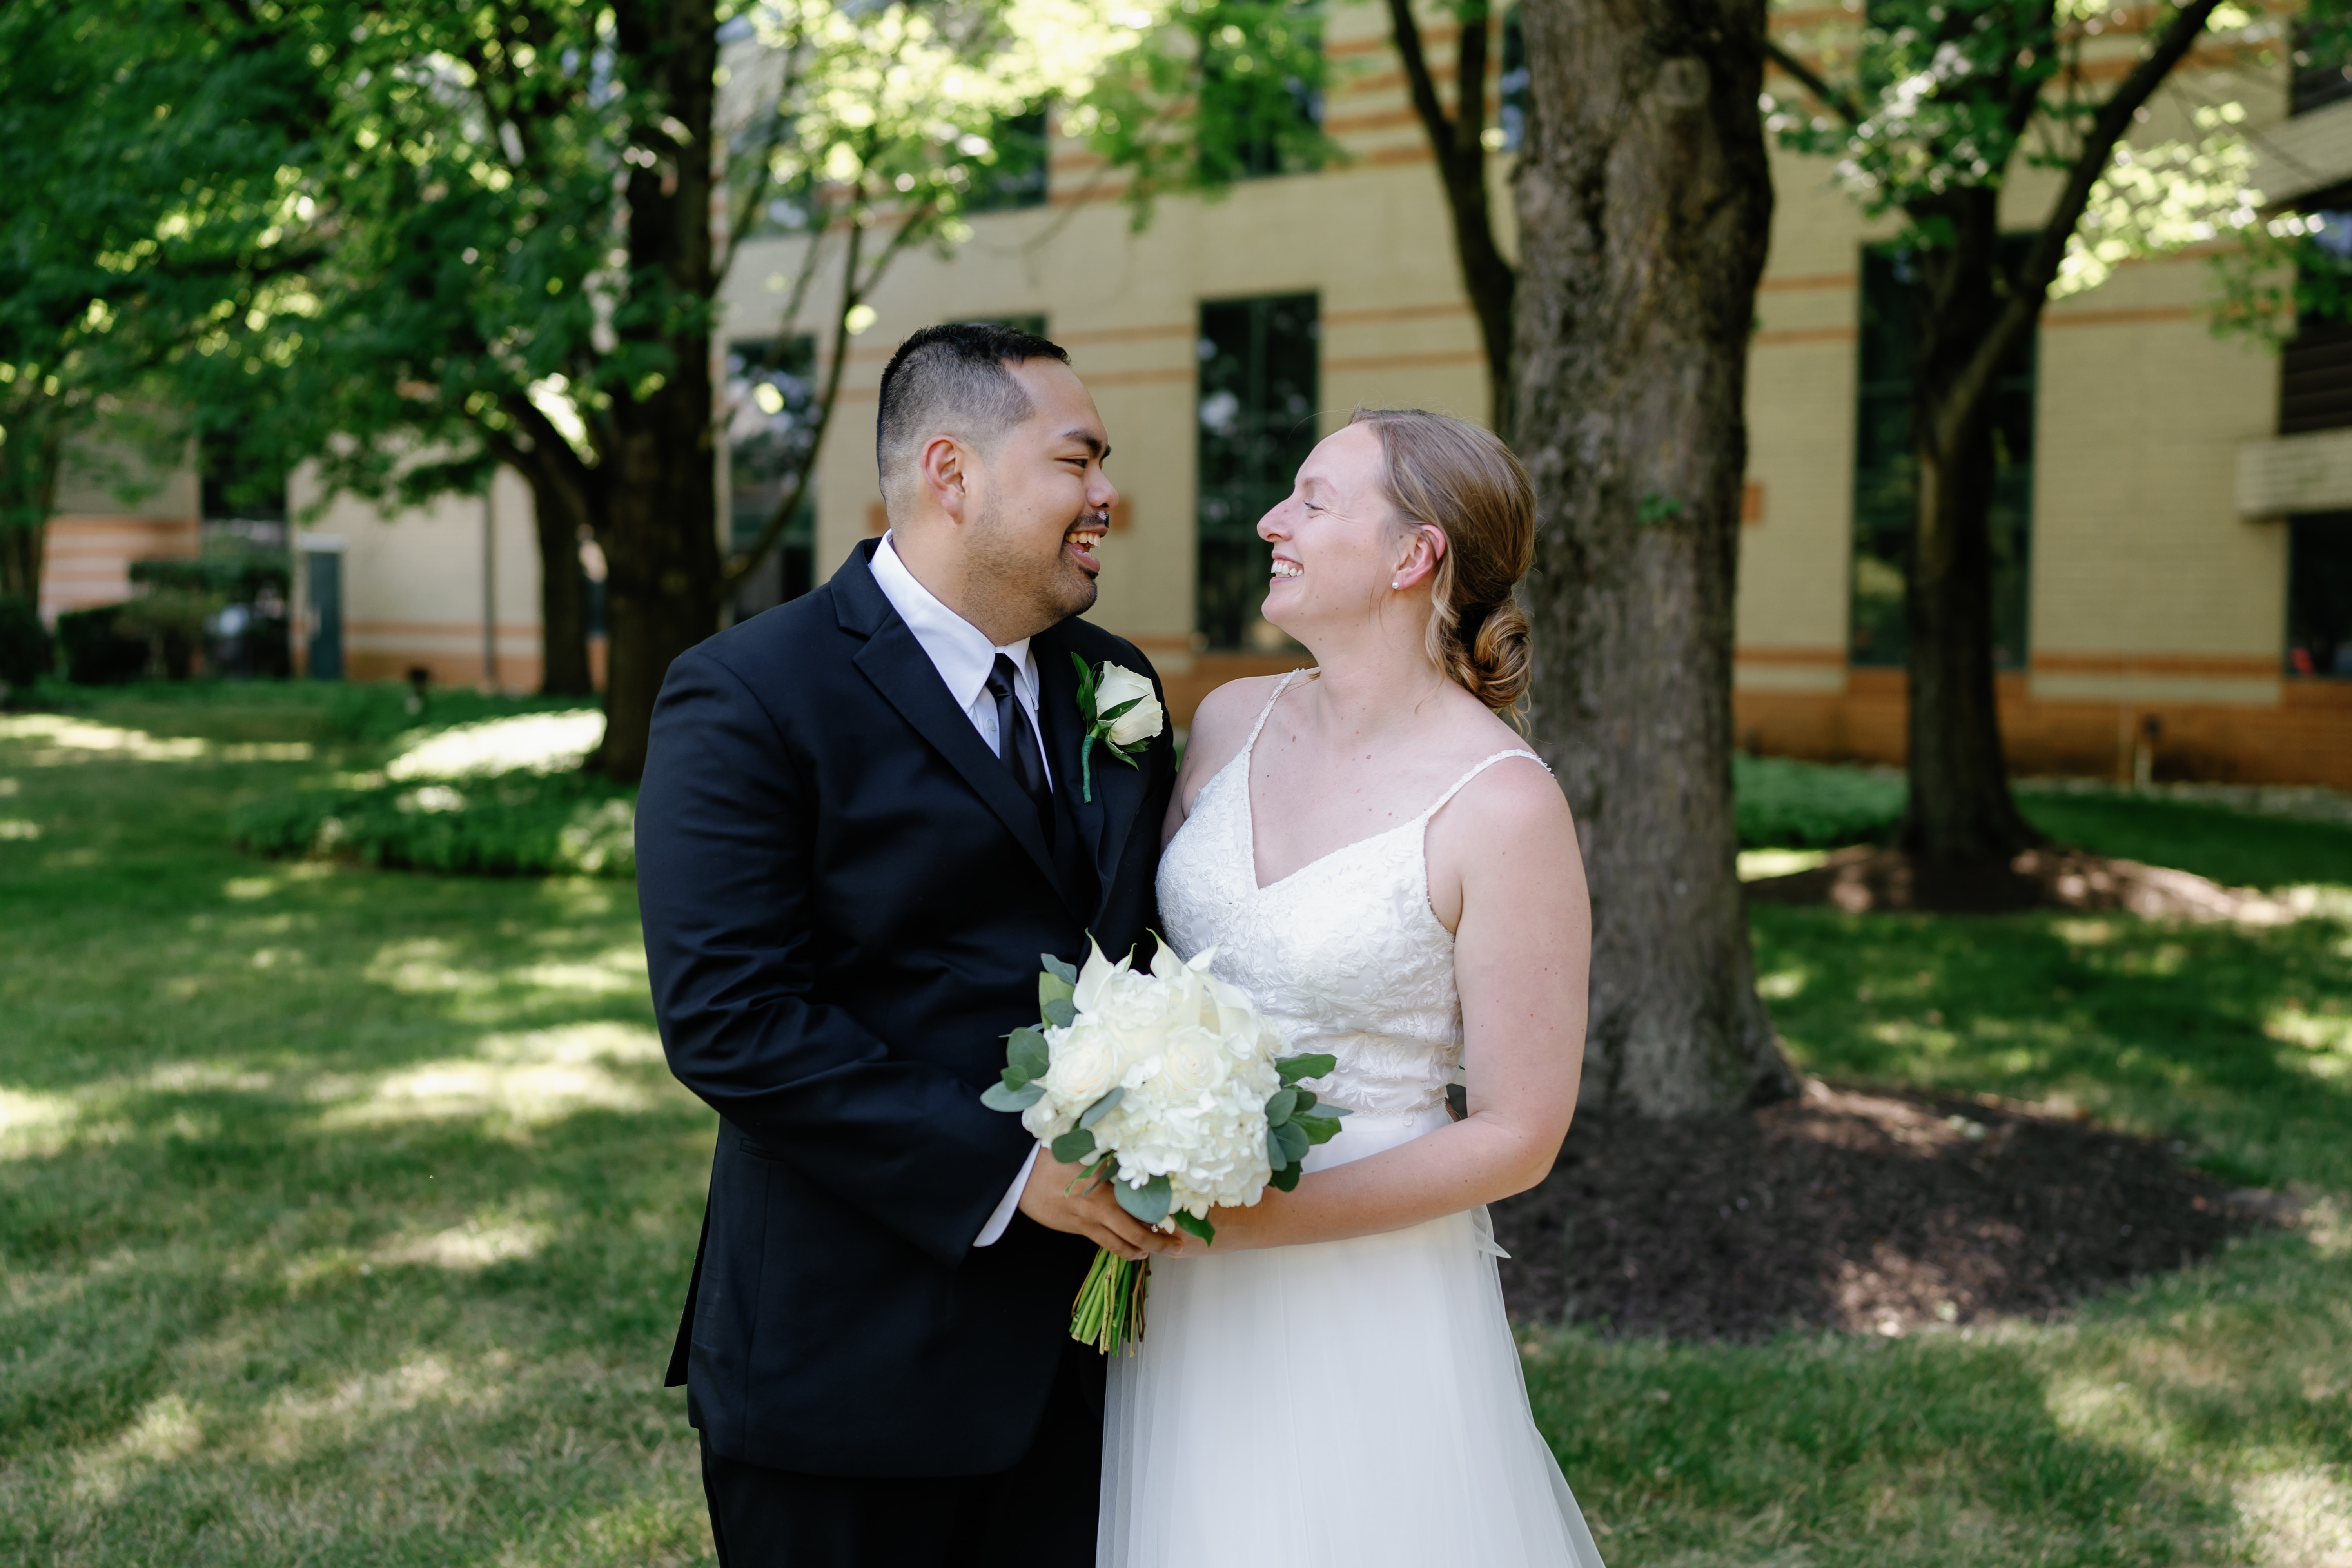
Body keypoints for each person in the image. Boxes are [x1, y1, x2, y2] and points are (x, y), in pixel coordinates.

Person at [635, 323, 1180, 1568]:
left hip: (1089, 1366)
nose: (1106, 497)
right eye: (1077, 461)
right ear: (952, 472)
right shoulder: (750, 693)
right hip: (848, 1370)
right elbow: (732, 1018)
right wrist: (1014, 1175)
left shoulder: (1117, 683)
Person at [1101, 408, 1609, 1566]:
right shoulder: (1230, 722)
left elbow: (1522, 1135)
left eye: (1313, 500)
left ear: (1412, 555)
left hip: (1366, 1281)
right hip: (1184, 1275)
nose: (1273, 521)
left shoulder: (1504, 806)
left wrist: (1249, 1224)